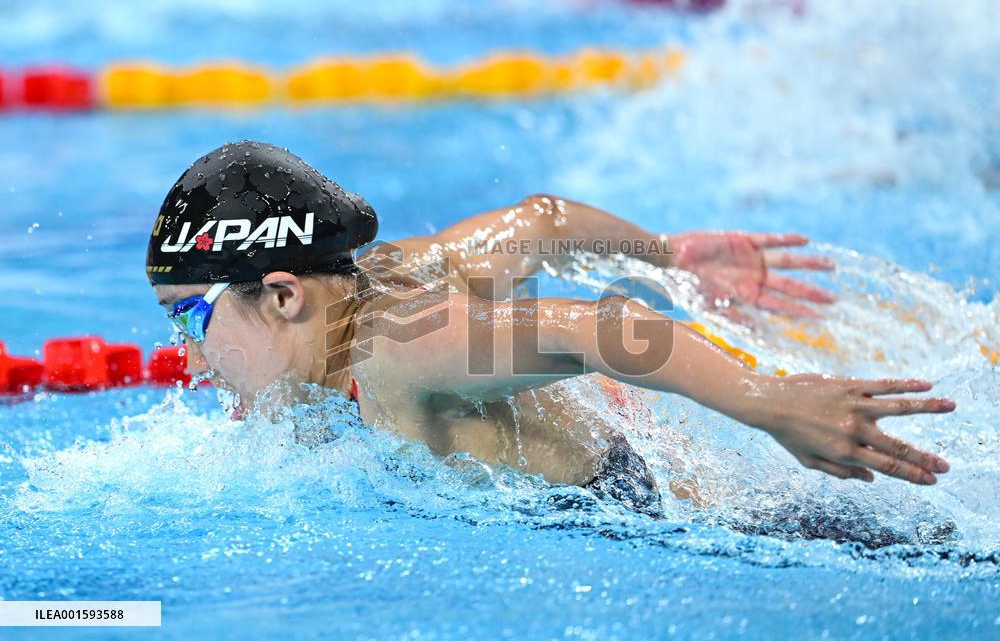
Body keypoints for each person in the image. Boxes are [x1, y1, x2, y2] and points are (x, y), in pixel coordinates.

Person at [147, 141, 954, 515]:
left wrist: (769, 400)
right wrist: (668, 253)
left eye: (189, 316)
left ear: (283, 296)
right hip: (621, 461)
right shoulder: (382, 270)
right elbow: (542, 221)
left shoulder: (399, 347)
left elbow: (603, 327)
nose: (180, 352)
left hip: (653, 513)